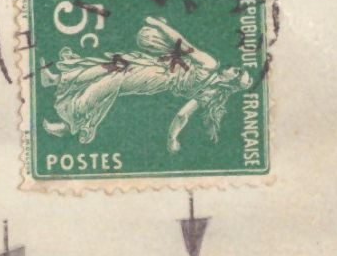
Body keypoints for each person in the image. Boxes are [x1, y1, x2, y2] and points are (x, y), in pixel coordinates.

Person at [39, 15, 254, 153]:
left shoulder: (210, 65)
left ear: (231, 82)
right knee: (110, 64)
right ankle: (56, 79)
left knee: (114, 80)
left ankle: (69, 124)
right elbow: (183, 114)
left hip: (159, 76)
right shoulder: (210, 89)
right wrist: (172, 139)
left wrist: (158, 24)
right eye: (239, 69)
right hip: (158, 64)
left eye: (238, 72)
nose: (234, 68)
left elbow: (183, 45)